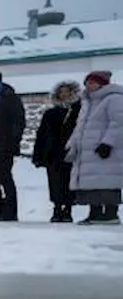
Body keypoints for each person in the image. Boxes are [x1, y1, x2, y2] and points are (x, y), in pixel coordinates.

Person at [65, 71, 122, 225]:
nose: (89, 86)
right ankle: (95, 212)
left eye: (92, 82)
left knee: (108, 182)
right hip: (89, 150)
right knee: (92, 183)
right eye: (87, 83)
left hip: (106, 150)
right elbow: (81, 126)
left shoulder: (113, 99)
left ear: (102, 83)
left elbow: (118, 123)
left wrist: (108, 143)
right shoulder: (88, 102)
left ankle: (111, 213)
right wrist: (73, 144)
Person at [32, 80, 82, 223]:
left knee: (68, 181)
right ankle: (57, 207)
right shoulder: (51, 113)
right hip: (52, 152)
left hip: (70, 151)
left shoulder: (78, 112)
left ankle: (68, 209)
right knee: (54, 181)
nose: (64, 95)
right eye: (61, 92)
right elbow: (42, 134)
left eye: (67, 92)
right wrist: (39, 155)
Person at [0, 71, 27, 221]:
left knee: (4, 177)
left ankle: (10, 210)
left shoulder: (9, 97)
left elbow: (18, 121)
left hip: (4, 144)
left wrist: (13, 141)